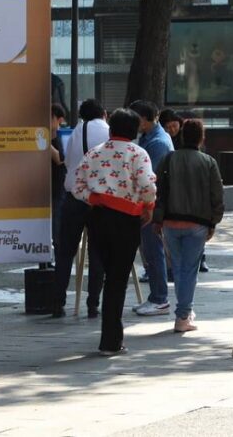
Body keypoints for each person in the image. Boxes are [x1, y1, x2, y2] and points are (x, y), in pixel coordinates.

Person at [72, 108, 157, 356]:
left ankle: (109, 337)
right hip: (126, 219)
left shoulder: (94, 153)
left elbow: (76, 187)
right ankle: (111, 340)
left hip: (97, 218)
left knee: (108, 272)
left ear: (111, 129)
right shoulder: (137, 153)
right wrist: (148, 206)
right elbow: (147, 186)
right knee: (117, 281)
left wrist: (94, 198)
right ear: (135, 130)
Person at [153, 119, 224, 332]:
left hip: (170, 222)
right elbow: (217, 194)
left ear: (182, 136)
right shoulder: (208, 162)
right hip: (198, 223)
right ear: (202, 138)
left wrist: (158, 219)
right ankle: (183, 315)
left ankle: (184, 312)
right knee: (189, 269)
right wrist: (213, 221)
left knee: (178, 267)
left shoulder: (168, 159)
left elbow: (159, 191)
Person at [53, 98, 109, 319]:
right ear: (103, 113)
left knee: (65, 252)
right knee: (97, 253)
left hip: (74, 197)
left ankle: (58, 302)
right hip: (98, 200)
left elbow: (67, 160)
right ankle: (93, 304)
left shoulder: (77, 131)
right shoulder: (108, 130)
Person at [129, 100, 174, 316]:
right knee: (149, 251)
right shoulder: (149, 138)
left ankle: (159, 298)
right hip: (148, 203)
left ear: (144, 119)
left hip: (151, 205)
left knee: (153, 251)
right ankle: (155, 296)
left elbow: (150, 179)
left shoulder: (158, 143)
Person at [50, 103, 67, 263]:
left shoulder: (64, 137)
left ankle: (60, 263)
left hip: (58, 190)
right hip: (44, 190)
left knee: (57, 230)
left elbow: (60, 159)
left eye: (50, 118)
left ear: (59, 120)